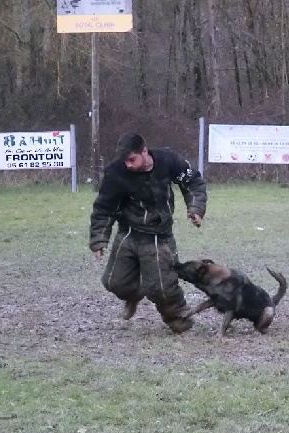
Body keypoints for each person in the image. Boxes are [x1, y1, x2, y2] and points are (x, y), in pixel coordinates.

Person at [89, 133, 207, 333]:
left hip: (159, 236)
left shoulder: (168, 160)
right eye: (124, 161)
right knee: (113, 282)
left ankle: (180, 320)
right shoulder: (115, 173)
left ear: (144, 151)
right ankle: (134, 296)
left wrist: (195, 208)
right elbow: (104, 207)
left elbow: (192, 181)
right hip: (128, 233)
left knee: (162, 288)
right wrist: (99, 238)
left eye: (132, 159)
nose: (128, 165)